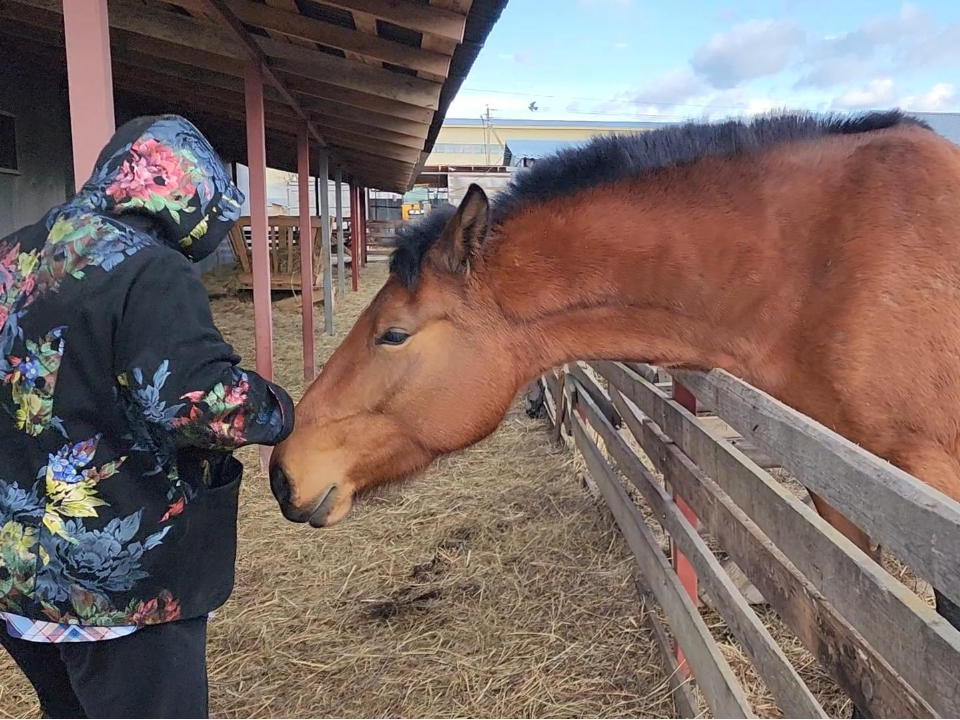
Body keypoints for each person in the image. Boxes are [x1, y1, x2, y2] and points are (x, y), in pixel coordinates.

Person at [0, 115, 295, 718]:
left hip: (19, 580)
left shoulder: (14, 255)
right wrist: (283, 408)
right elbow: (202, 406)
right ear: (182, 192)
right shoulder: (149, 267)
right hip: (117, 591)